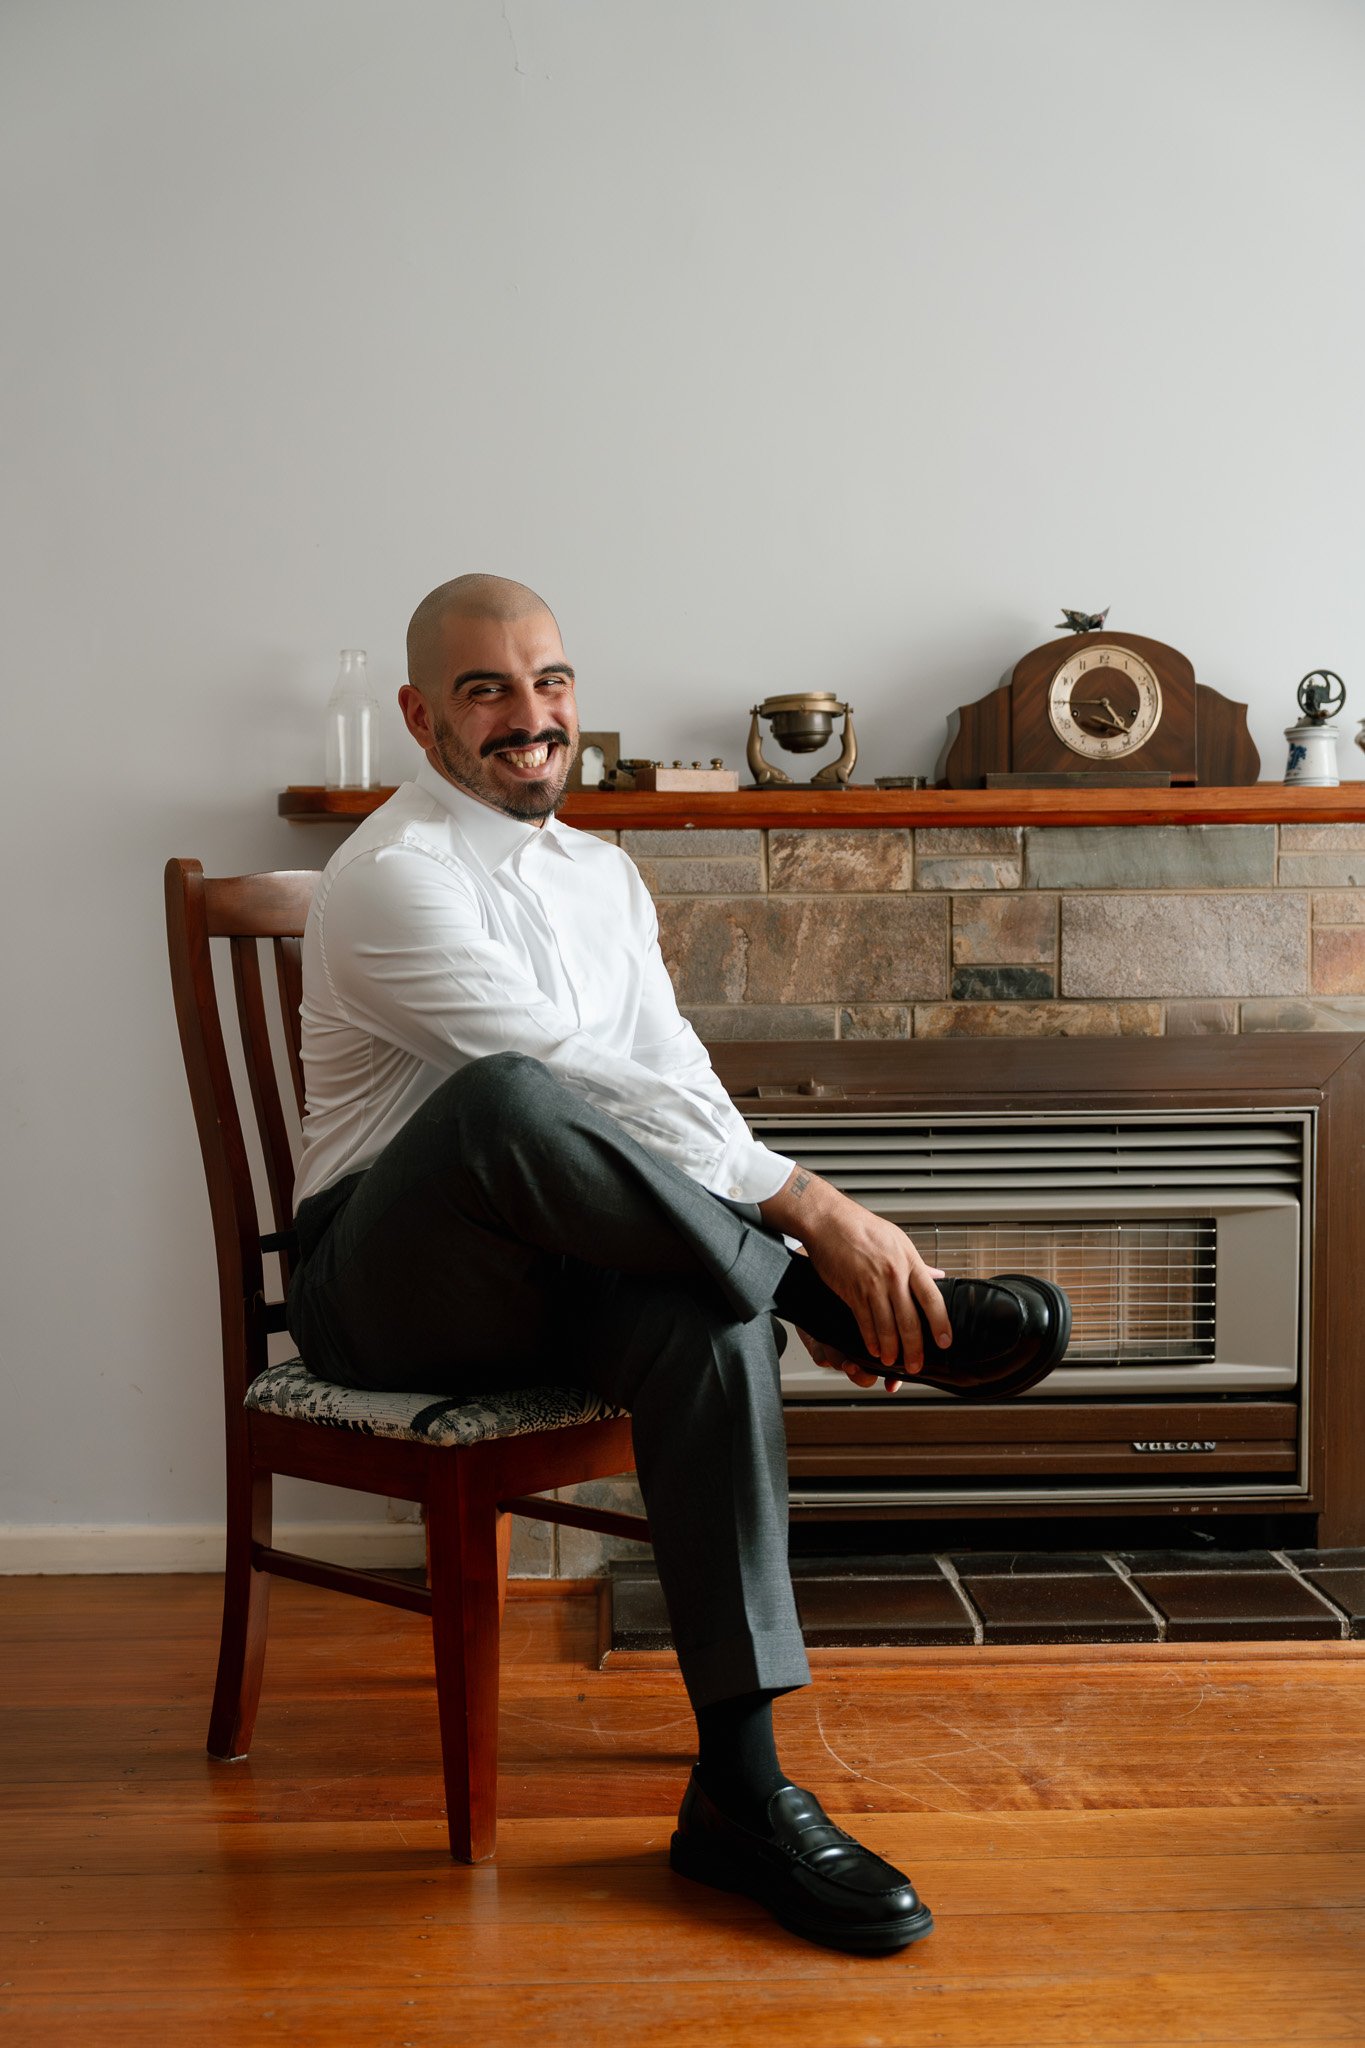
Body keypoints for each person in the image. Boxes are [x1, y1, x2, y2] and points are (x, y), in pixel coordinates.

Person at [287, 573, 1067, 1955]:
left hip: (554, 1268)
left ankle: (742, 1795)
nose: (530, 719)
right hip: (381, 1289)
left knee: (702, 1329)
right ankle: (819, 1304)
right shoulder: (391, 875)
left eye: (550, 682)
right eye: (486, 691)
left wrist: (768, 1211)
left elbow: (675, 1089)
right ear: (418, 716)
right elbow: (567, 1085)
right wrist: (809, 1220)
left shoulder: (602, 874)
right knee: (511, 1102)